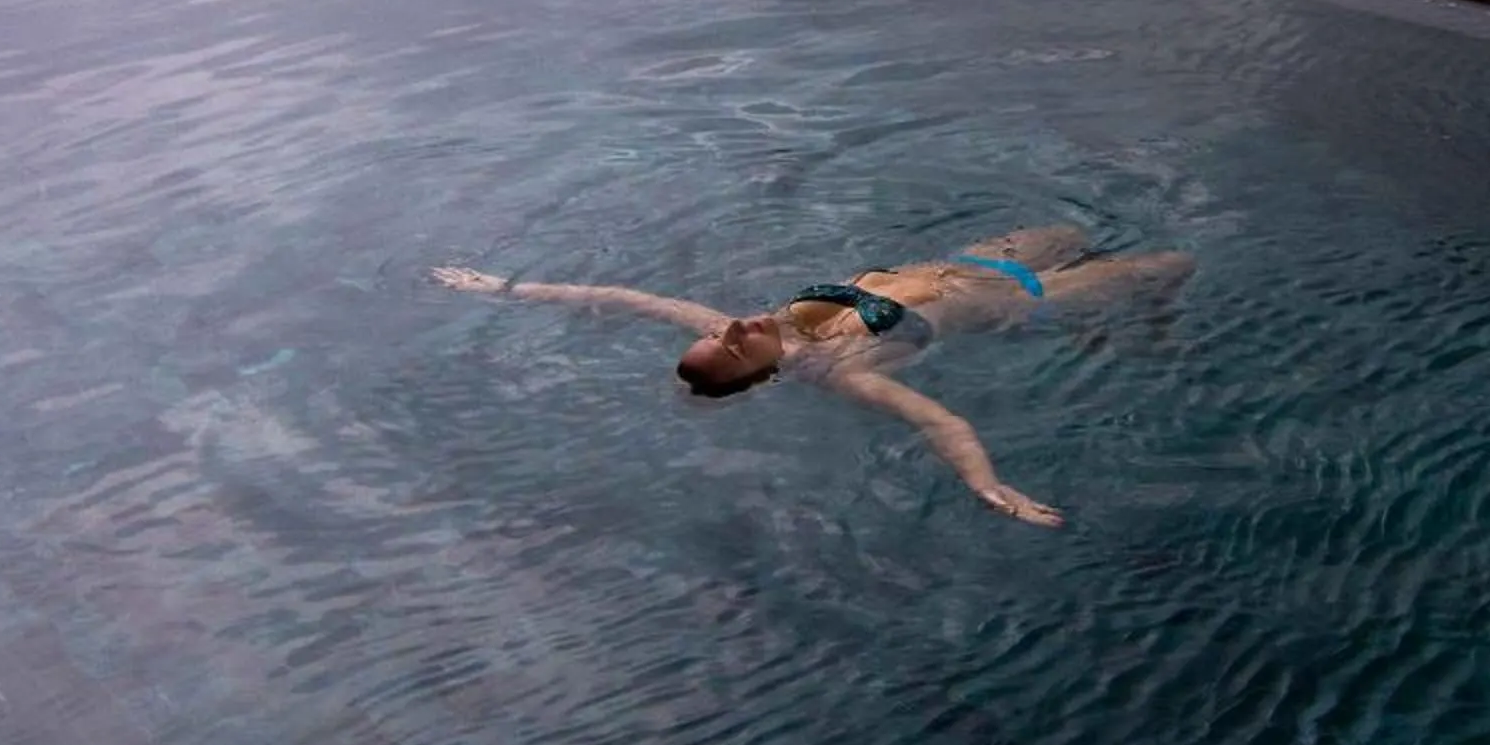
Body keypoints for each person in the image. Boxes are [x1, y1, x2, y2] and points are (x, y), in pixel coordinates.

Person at [430, 226, 1192, 527]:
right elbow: (942, 422)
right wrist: (989, 489)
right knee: (1172, 264)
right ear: (762, 379)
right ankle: (1145, 325)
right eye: (734, 347)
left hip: (971, 259)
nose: (731, 328)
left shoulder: (745, 327)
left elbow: (622, 297)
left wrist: (503, 288)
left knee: (1073, 228)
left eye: (719, 334)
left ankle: (1111, 321)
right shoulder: (846, 375)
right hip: (1020, 297)